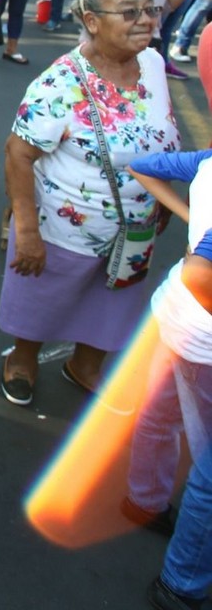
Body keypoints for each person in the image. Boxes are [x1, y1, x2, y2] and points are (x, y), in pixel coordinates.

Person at [0, 0, 180, 407]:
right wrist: (26, 231)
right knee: (45, 297)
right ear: (92, 21)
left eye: (150, 10)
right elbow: (17, 154)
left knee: (113, 298)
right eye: (130, 12)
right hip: (66, 227)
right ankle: (22, 360)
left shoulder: (152, 64)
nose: (146, 21)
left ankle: (85, 365)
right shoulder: (60, 84)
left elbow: (160, 136)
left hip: (137, 229)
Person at [121, 149, 212, 610]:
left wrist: (192, 219)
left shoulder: (208, 160)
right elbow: (203, 273)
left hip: (173, 313)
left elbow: (137, 162)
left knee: (160, 415)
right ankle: (181, 585)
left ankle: (145, 502)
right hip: (205, 339)